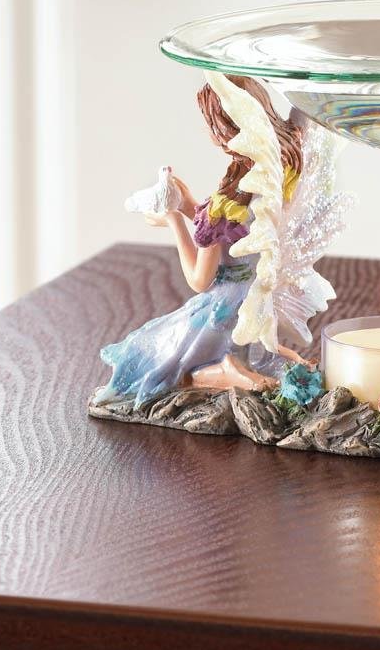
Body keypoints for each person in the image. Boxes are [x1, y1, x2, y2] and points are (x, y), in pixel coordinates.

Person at [95, 76, 306, 408]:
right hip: (257, 298)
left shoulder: (223, 205)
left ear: (224, 129)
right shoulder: (280, 172)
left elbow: (200, 280)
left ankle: (222, 371)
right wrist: (190, 205)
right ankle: (242, 367)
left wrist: (174, 220)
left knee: (160, 357)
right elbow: (237, 231)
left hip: (223, 310)